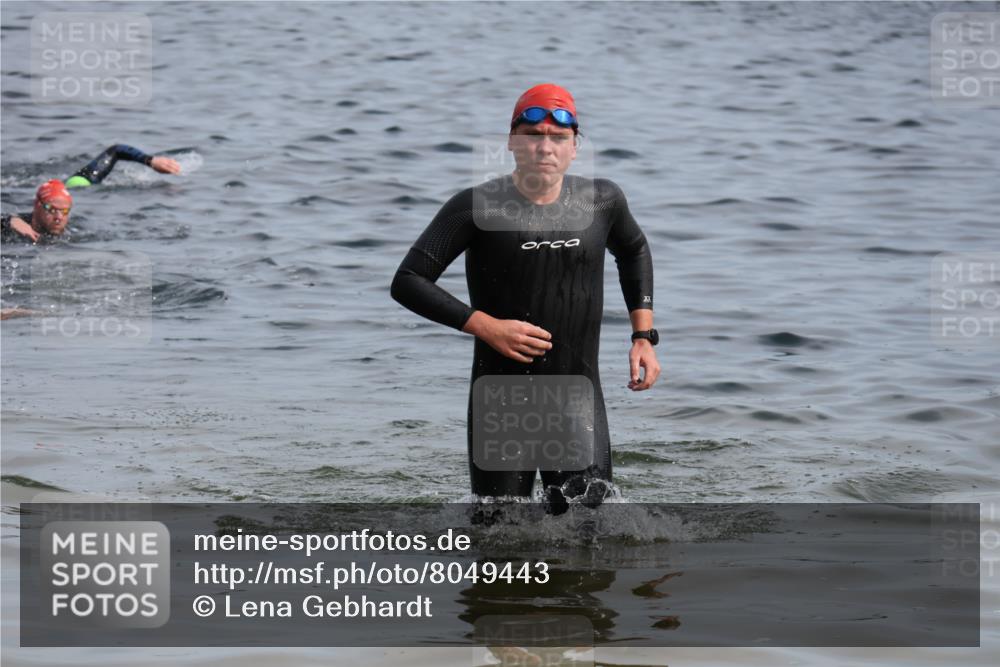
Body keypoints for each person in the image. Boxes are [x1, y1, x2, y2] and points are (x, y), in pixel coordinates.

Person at [391, 83, 661, 511]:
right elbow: (408, 280)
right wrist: (486, 326)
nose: (545, 148)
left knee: (590, 528)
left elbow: (634, 250)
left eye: (559, 138)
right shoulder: (476, 206)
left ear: (575, 147)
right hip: (500, 401)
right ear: (512, 142)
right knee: (498, 532)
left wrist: (643, 336)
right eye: (533, 136)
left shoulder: (602, 201)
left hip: (577, 398)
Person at [0, 144, 181, 243]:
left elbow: (116, 150)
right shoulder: (17, 228)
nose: (59, 217)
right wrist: (10, 221)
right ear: (37, 206)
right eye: (51, 209)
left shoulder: (76, 232)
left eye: (65, 211)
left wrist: (150, 160)